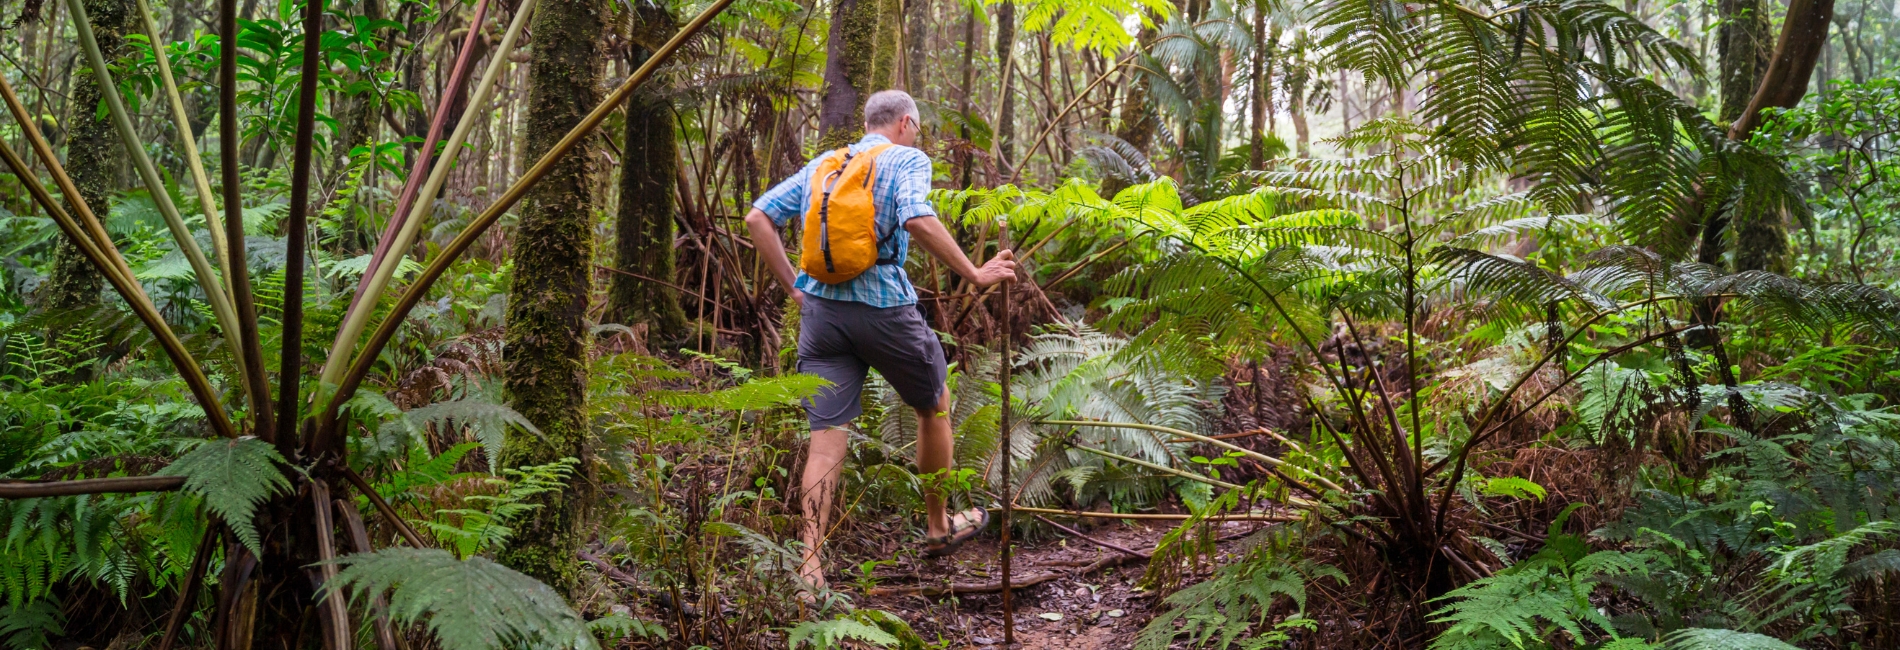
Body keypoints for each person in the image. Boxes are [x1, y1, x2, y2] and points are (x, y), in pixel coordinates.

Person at [743, 90, 1018, 592]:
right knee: (933, 405)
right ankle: (938, 526)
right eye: (917, 128)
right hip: (884, 309)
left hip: (822, 317)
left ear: (869, 122)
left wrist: (794, 288)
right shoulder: (905, 158)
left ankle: (810, 563)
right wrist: (976, 274)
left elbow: (758, 217)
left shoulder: (823, 163)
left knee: (826, 441)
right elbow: (917, 218)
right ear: (906, 123)